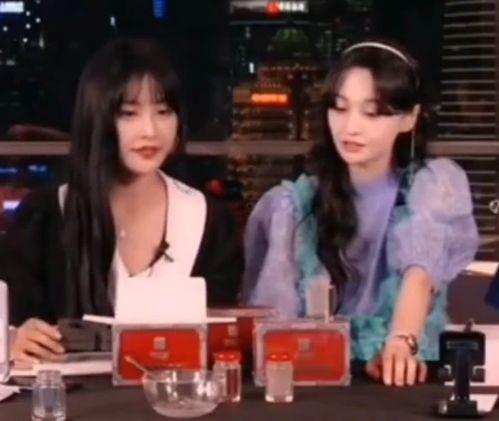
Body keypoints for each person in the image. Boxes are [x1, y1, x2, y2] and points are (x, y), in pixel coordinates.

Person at [242, 41, 479, 387]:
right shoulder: (292, 206)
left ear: (409, 119)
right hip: (316, 378)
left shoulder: (432, 187)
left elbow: (420, 275)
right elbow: (275, 319)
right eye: (340, 108)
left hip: (405, 371)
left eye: (372, 113)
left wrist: (401, 342)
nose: (350, 127)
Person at [0, 37, 242, 364]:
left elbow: (221, 344)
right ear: (97, 119)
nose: (150, 130)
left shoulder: (211, 223)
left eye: (163, 112)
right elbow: (15, 323)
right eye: (129, 114)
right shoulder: (44, 217)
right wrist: (15, 338)